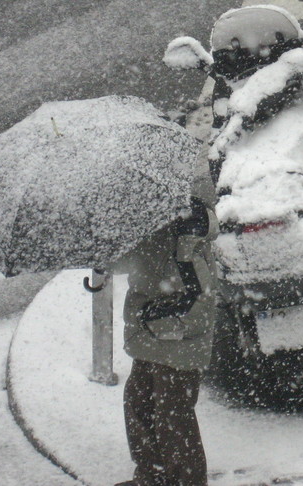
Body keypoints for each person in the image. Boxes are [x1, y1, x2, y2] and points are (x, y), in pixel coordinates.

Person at [117, 196, 217, 486]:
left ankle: (185, 481)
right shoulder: (146, 221)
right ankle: (152, 476)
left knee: (172, 415)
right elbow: (131, 262)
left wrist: (159, 316)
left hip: (176, 335)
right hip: (152, 331)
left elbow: (198, 295)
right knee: (139, 401)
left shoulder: (184, 227)